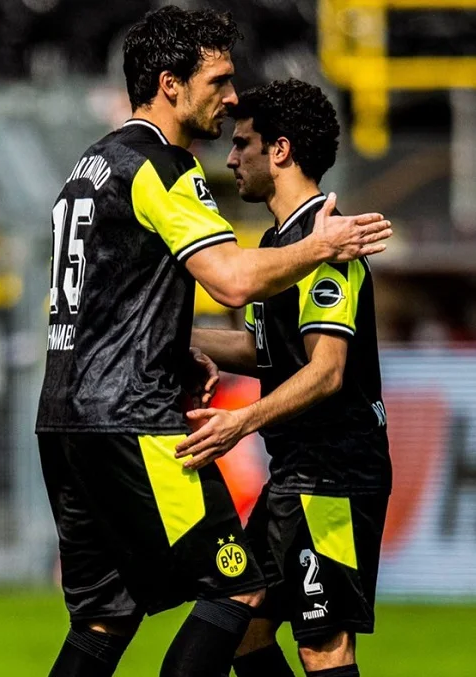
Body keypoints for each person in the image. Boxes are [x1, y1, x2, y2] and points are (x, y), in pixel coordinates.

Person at [34, 7, 392, 677]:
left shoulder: (89, 166)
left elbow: (308, 362)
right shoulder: (164, 166)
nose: (229, 101)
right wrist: (323, 245)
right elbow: (230, 281)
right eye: (218, 80)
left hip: (65, 418)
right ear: (169, 84)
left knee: (107, 617)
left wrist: (172, 343)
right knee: (240, 590)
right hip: (132, 418)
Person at [185, 79, 390, 677]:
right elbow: (267, 350)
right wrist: (169, 339)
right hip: (295, 475)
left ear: (280, 151)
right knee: (244, 634)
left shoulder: (330, 243)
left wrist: (239, 422)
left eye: (242, 143)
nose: (230, 158)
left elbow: (327, 373)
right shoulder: (282, 244)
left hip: (334, 477)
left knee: (322, 647)